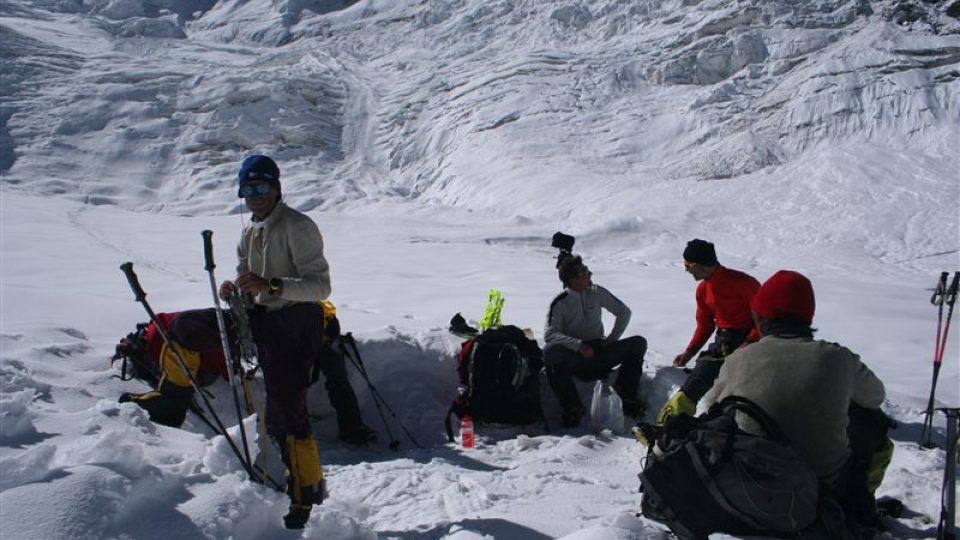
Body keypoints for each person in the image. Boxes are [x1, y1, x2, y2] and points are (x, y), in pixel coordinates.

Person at [119, 155, 355, 529]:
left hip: (295, 323)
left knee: (286, 412)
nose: (255, 195)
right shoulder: (250, 232)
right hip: (258, 317)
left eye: (261, 187)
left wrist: (272, 285)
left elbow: (320, 286)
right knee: (181, 327)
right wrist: (237, 289)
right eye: (248, 189)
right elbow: (249, 280)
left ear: (277, 187)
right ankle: (170, 402)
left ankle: (306, 495)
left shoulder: (298, 226)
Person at [701, 270, 891, 535]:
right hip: (823, 485)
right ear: (807, 316)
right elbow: (875, 396)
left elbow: (710, 407)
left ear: (760, 315)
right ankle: (857, 505)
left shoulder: (738, 360)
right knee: (873, 424)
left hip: (750, 481)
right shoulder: (838, 358)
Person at [657, 239, 760, 424]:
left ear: (699, 265)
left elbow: (763, 319)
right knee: (700, 376)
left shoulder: (744, 283)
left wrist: (749, 343)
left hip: (752, 339)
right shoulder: (703, 290)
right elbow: (705, 325)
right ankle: (668, 424)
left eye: (688, 265)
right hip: (724, 340)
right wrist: (689, 352)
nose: (686, 269)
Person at [543, 255, 647, 427]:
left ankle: (627, 396)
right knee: (550, 352)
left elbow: (624, 312)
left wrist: (613, 339)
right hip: (575, 359)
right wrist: (578, 346)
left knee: (638, 343)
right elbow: (550, 333)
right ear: (573, 280)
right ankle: (572, 407)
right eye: (583, 272)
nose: (589, 273)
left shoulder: (597, 292)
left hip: (600, 352)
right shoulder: (560, 302)